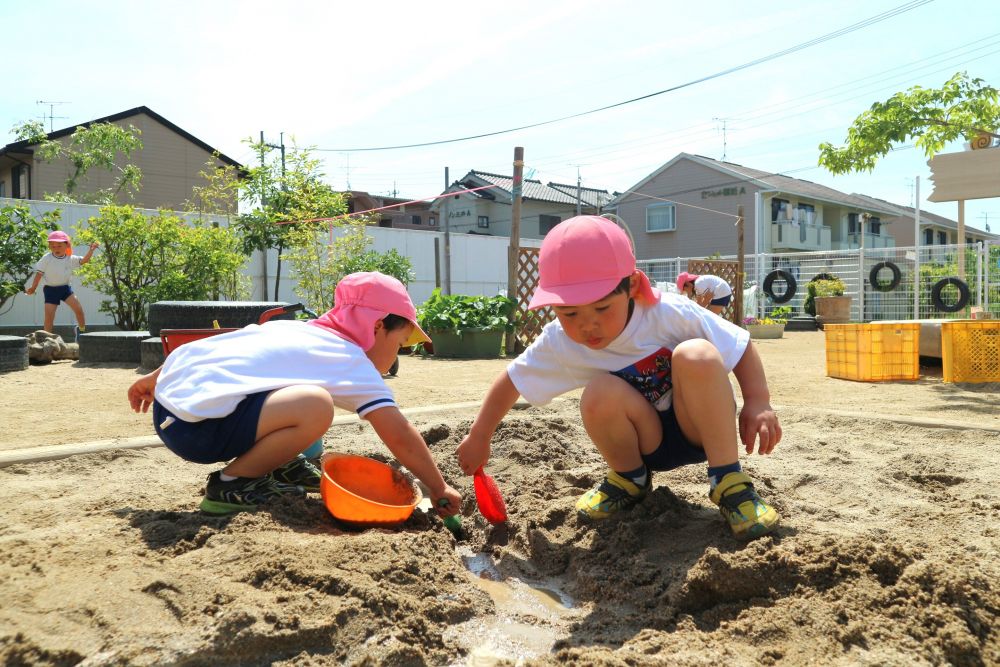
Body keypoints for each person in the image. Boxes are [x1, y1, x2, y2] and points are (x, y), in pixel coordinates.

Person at [456, 216, 780, 539]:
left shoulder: (669, 313)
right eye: (570, 314)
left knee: (697, 354)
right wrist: (480, 435)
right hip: (645, 440)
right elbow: (513, 379)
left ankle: (729, 482)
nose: (587, 326)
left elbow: (738, 343)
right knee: (598, 393)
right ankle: (630, 479)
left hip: (698, 427)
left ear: (633, 287)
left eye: (601, 309)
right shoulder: (561, 342)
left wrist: (758, 401)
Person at [128, 271, 463, 518]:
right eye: (401, 343)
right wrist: (437, 486)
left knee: (300, 390)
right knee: (315, 406)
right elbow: (398, 432)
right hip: (199, 431)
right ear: (377, 327)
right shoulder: (350, 359)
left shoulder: (295, 330)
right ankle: (232, 484)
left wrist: (155, 378)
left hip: (171, 410)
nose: (398, 354)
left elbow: (221, 347)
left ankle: (283, 465)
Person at [24, 230, 99, 339]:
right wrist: (33, 288)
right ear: (50, 247)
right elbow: (39, 274)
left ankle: (81, 331)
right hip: (50, 290)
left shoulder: (70, 259)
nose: (56, 248)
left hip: (65, 289)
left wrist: (91, 250)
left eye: (59, 246)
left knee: (78, 310)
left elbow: (84, 260)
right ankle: (47, 338)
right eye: (53, 246)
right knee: (49, 316)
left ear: (66, 245)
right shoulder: (47, 258)